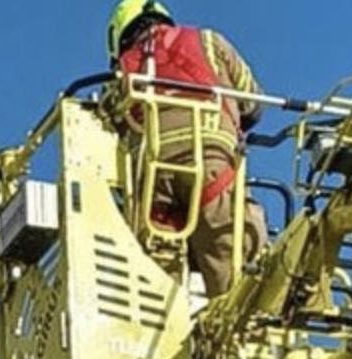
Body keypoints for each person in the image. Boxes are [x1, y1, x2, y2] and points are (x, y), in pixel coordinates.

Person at [108, 0, 268, 297]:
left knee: (157, 283)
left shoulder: (119, 76)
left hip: (152, 184)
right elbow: (254, 104)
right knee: (234, 274)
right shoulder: (208, 41)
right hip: (210, 164)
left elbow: (109, 134)